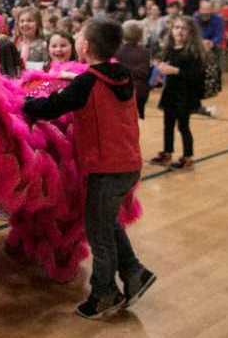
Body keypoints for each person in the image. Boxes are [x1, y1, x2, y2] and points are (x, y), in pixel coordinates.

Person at [23, 17, 156, 319]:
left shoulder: (88, 81)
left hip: (106, 169)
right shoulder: (120, 74)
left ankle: (105, 293)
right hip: (128, 163)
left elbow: (53, 107)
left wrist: (24, 104)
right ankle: (135, 272)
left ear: (83, 46)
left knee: (99, 234)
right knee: (108, 223)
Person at [149, 16, 206, 170]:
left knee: (183, 126)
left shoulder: (193, 52)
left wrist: (175, 70)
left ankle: (188, 157)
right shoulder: (169, 48)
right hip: (171, 93)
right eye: (176, 27)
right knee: (167, 125)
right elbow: (167, 69)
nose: (179, 31)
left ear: (190, 32)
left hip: (186, 96)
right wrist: (160, 71)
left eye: (183, 28)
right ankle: (167, 153)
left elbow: (195, 75)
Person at [116, 21, 151, 119]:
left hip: (122, 91)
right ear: (140, 36)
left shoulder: (116, 51)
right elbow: (145, 73)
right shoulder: (146, 52)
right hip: (140, 92)